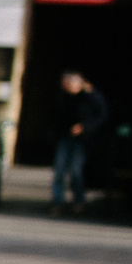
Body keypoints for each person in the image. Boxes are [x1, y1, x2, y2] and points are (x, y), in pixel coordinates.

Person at [53, 70, 108, 217]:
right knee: (59, 171)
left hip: (82, 140)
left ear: (78, 84)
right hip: (64, 137)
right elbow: (55, 117)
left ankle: (79, 201)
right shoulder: (62, 97)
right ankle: (57, 203)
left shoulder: (89, 97)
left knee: (76, 171)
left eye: (69, 83)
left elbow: (101, 115)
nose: (65, 85)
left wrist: (84, 127)